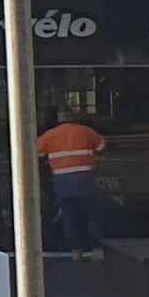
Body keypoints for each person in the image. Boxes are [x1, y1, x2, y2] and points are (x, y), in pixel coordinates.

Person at [36, 109, 108, 259]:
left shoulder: (49, 135)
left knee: (69, 217)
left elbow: (37, 152)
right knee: (93, 216)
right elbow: (101, 146)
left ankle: (75, 251)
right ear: (74, 118)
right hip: (85, 181)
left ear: (58, 120)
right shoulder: (86, 131)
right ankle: (97, 249)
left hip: (63, 182)